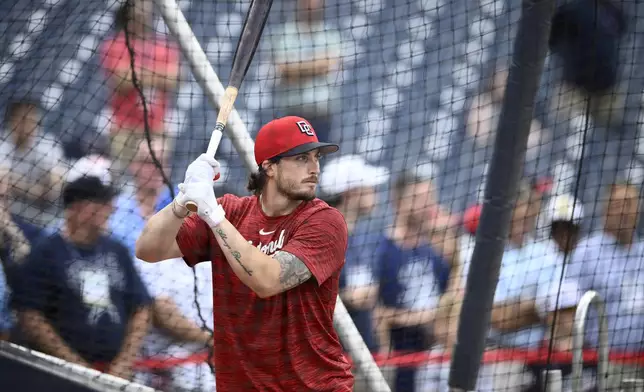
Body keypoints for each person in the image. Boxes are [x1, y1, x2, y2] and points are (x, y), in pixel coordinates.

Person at [135, 116, 354, 391]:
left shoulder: (324, 220)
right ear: (270, 166)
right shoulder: (233, 211)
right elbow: (147, 249)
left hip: (312, 386)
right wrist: (182, 201)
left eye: (316, 157)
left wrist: (214, 217)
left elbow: (267, 281)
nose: (315, 168)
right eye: (301, 159)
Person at [11, 155, 152, 381]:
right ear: (79, 208)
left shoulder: (117, 251)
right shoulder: (46, 252)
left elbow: (142, 307)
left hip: (114, 375)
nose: (112, 209)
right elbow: (30, 316)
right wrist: (76, 367)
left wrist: (124, 362)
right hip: (58, 376)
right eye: (103, 203)